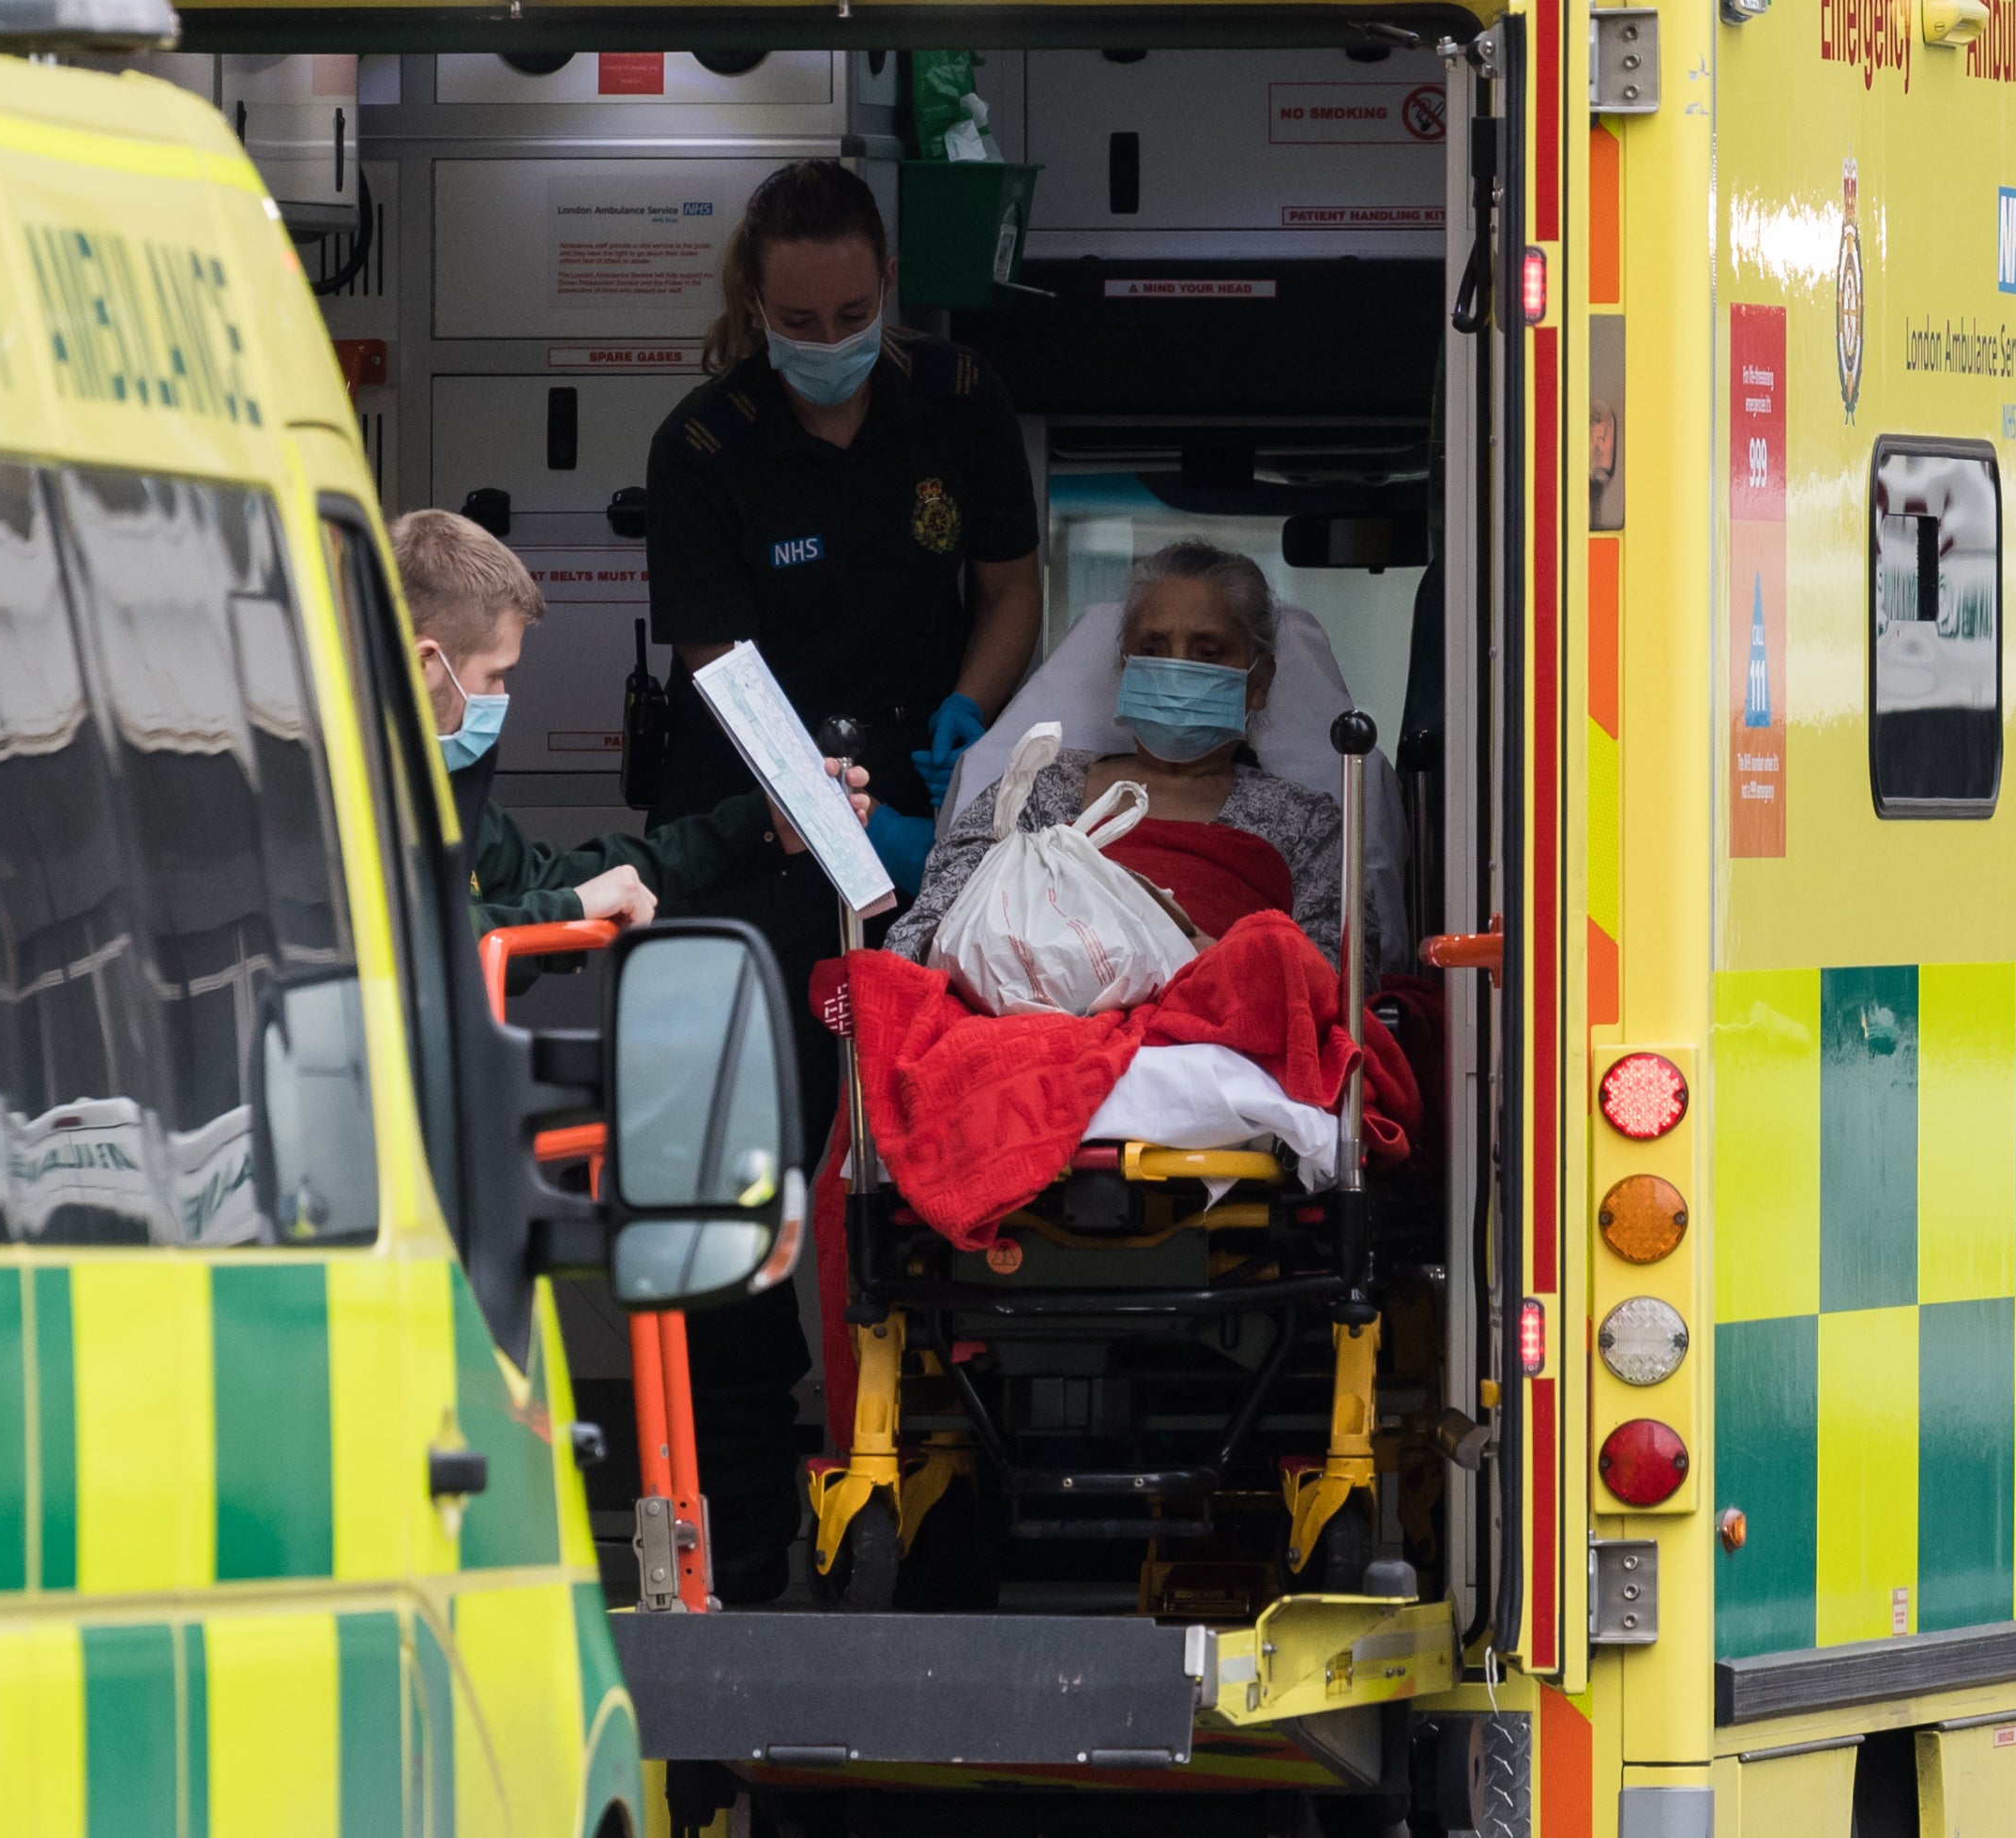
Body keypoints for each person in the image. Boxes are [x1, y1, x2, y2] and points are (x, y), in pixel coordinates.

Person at [642, 158, 1043, 1601]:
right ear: (754, 301)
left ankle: (950, 1514)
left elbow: (1006, 584)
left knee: (930, 1154)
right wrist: (822, 816)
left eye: (856, 306)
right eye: (801, 312)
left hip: (924, 818)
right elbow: (717, 672)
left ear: (888, 290)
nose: (832, 332)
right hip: (754, 836)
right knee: (744, 1180)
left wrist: (967, 725)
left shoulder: (955, 402)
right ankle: (736, 1536)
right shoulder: (706, 446)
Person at [388, 509, 867, 961]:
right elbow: (411, 947)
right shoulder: (335, 793)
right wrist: (573, 910)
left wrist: (758, 824)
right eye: (494, 674)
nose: (503, 693)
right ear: (425, 663)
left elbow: (531, 881)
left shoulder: (433, 776)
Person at [887, 540, 1372, 979]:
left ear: (1259, 681)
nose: (1177, 669)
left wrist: (1204, 962)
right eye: (1153, 649)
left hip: (1217, 1051)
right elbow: (922, 934)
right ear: (1126, 669)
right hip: (1038, 1031)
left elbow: (1340, 984)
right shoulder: (1038, 787)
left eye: (1207, 653)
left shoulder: (1307, 821)